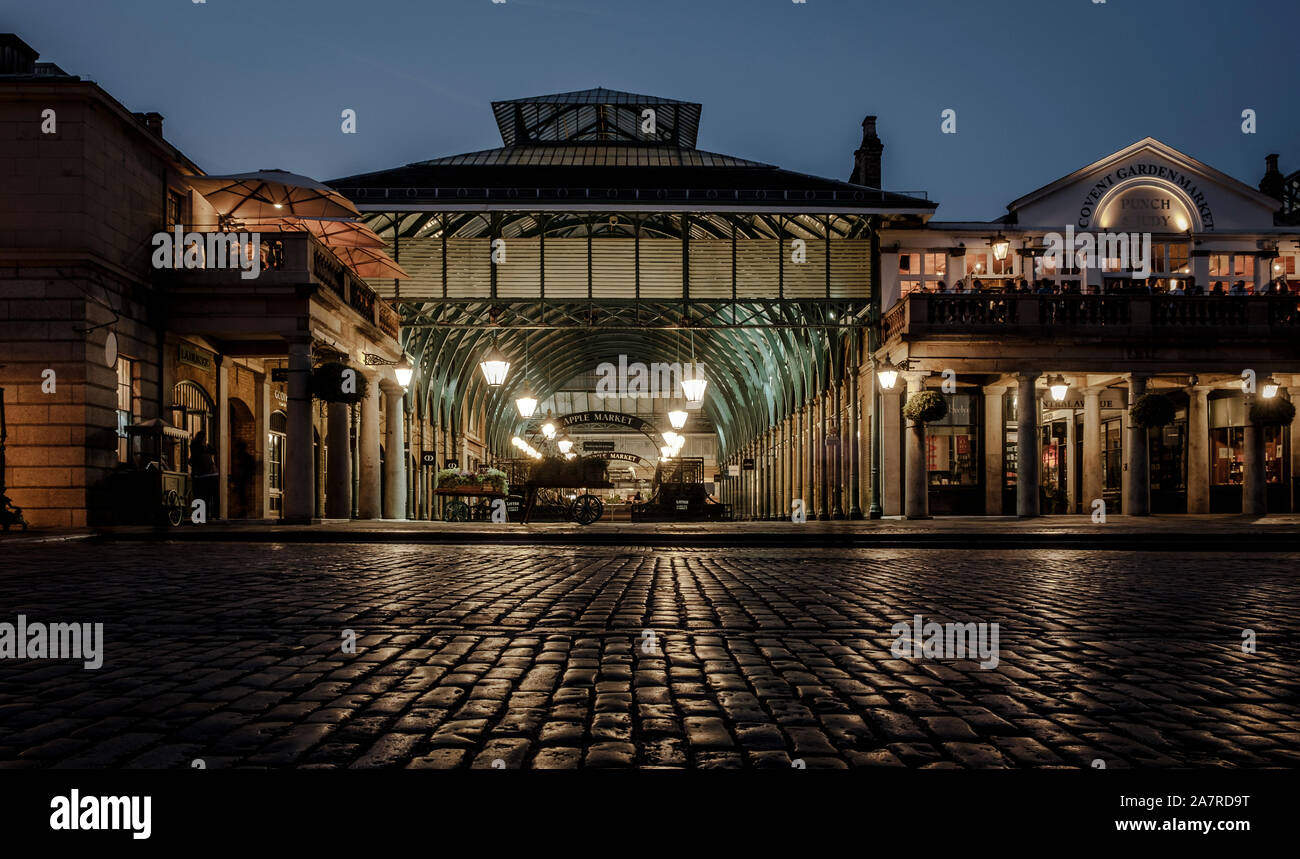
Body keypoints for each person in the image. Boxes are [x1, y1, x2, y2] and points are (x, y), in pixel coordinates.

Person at [191, 430, 218, 516]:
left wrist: (207, 446)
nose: (205, 439)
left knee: (207, 496)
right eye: (204, 438)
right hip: (205, 474)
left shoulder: (204, 446)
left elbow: (214, 451)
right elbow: (199, 453)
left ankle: (206, 514)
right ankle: (205, 515)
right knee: (206, 496)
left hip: (207, 474)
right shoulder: (198, 446)